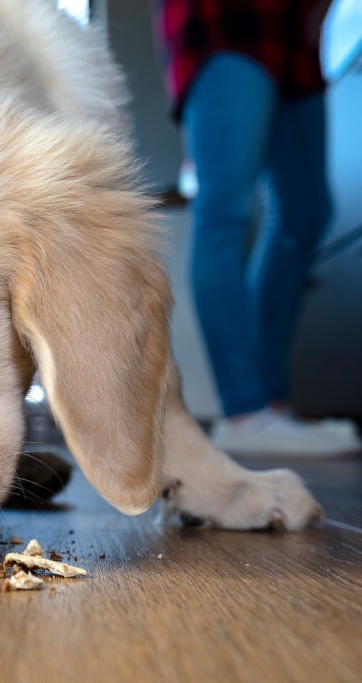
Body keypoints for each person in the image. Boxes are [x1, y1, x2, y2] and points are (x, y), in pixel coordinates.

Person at [154, 0, 360, 454]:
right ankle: (245, 410)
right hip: (223, 18)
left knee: (307, 212)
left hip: (290, 30)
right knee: (224, 209)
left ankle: (273, 406)